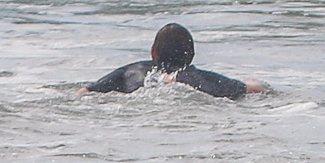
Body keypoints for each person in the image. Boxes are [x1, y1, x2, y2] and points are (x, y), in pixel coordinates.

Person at [78, 22, 267, 99]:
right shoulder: (198, 77)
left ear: (153, 52)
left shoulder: (132, 71)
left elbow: (84, 91)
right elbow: (254, 89)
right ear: (191, 55)